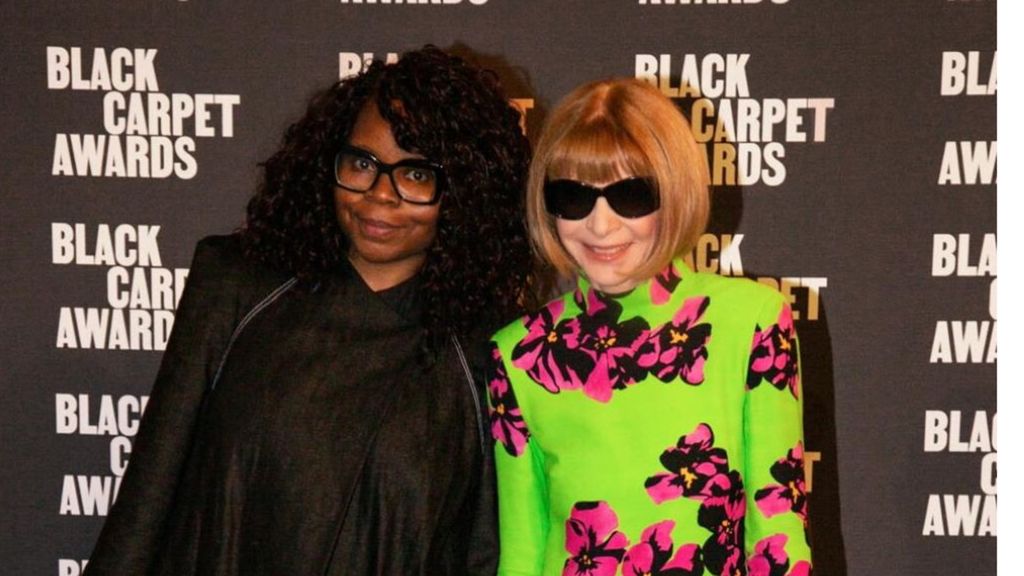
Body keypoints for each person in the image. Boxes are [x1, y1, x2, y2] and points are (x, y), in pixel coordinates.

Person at [84, 46, 534, 576]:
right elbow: (147, 497)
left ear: (465, 191)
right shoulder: (236, 287)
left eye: (415, 174)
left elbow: (483, 553)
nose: (377, 196)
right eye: (362, 163)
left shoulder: (488, 351)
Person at [487, 78, 812, 576]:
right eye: (573, 197)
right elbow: (523, 553)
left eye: (631, 195)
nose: (600, 225)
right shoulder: (519, 355)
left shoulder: (753, 322)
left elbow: (778, 535)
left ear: (674, 191)